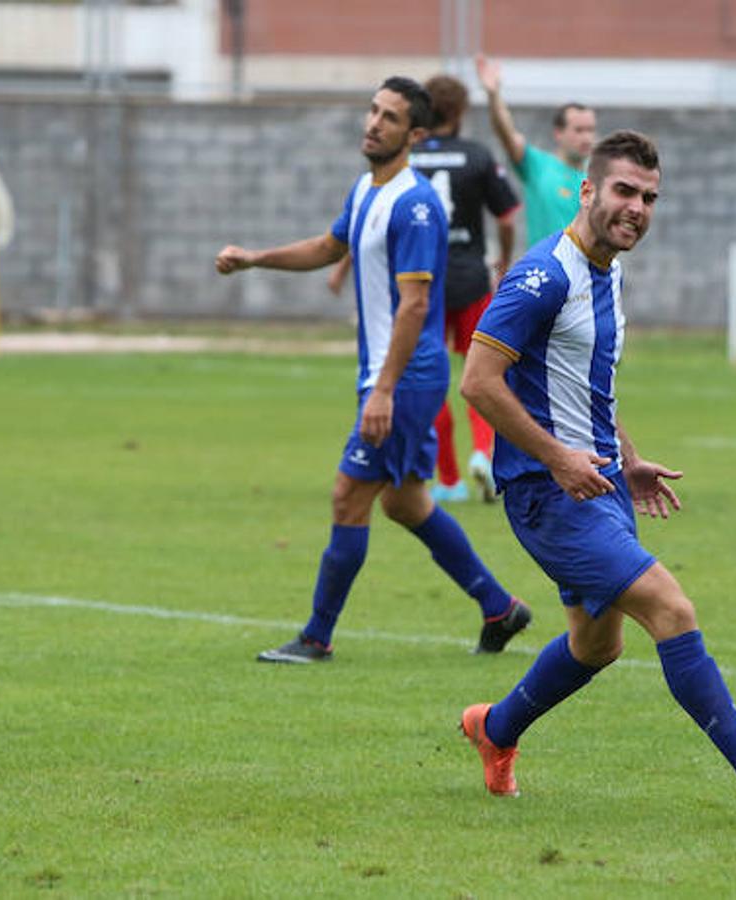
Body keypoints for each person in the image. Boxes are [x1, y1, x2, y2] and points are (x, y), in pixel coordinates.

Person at [457, 130, 736, 822]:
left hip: (601, 484)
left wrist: (627, 455)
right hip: (548, 494)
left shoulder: (607, 272)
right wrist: (557, 457)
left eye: (649, 197)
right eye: (623, 191)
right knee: (670, 610)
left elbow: (585, 387)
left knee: (597, 644)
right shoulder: (541, 276)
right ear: (586, 191)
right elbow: (478, 381)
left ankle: (495, 730)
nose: (637, 207)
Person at [215, 77, 531, 663]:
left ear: (414, 134)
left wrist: (382, 390)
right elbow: (329, 247)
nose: (373, 123)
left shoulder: (414, 206)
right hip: (396, 377)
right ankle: (499, 607)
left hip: (406, 379)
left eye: (388, 117)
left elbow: (415, 305)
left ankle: (316, 637)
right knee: (405, 503)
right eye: (372, 111)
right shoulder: (367, 189)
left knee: (347, 497)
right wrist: (256, 259)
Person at [329, 73, 522, 504]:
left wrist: (343, 268)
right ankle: (484, 453)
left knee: (426, 374)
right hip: (472, 280)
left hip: (422, 284)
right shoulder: (476, 155)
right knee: (482, 373)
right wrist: (504, 261)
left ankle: (449, 477)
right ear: (459, 112)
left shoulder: (406, 167)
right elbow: (508, 215)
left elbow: (373, 225)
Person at [475, 54, 596, 242]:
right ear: (558, 133)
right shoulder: (538, 166)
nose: (586, 138)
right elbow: (506, 134)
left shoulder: (599, 175)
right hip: (545, 270)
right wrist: (493, 95)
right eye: (578, 130)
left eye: (590, 130)